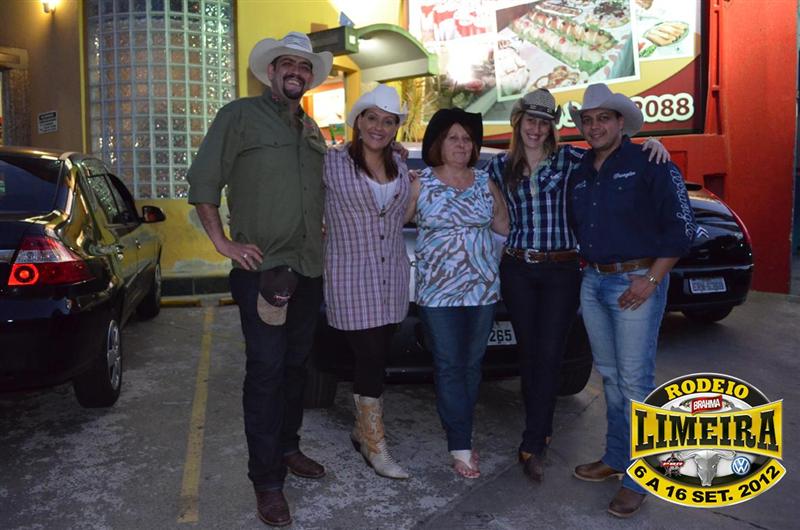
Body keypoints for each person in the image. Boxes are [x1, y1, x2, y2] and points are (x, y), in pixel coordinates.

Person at [486, 88, 670, 484]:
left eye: (544, 122)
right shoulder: (499, 166)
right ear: (518, 123)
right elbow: (465, 183)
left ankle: (536, 440)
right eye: (530, 120)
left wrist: (652, 144)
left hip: (561, 270)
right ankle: (539, 435)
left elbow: (615, 156)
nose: (536, 129)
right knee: (529, 354)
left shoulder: (573, 160)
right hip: (517, 269)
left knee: (551, 354)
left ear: (552, 127)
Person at [187, 32, 333, 527]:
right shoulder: (238, 116)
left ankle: (288, 447)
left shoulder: (311, 128)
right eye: (288, 64)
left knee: (296, 367)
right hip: (263, 270)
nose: (296, 72)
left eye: (304, 66)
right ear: (271, 71)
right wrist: (223, 242)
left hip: (308, 268)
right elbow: (203, 181)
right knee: (267, 373)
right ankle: (267, 482)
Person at [567, 83, 695, 518]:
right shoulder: (580, 169)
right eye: (588, 120)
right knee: (610, 378)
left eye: (604, 118)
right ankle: (617, 457)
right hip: (593, 281)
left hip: (637, 282)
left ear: (621, 122)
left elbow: (681, 227)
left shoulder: (651, 162)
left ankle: (640, 478)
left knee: (636, 383)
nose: (594, 126)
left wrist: (652, 280)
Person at [406, 108, 509, 479]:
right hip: (438, 294)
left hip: (481, 292)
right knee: (450, 365)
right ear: (439, 143)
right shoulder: (421, 182)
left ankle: (461, 429)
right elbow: (392, 220)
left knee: (472, 364)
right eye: (453, 138)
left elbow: (502, 226)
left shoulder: (484, 182)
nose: (461, 144)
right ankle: (461, 445)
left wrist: (484, 261)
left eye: (467, 139)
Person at [322, 84, 410, 480]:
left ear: (395, 128)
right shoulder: (330, 162)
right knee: (370, 356)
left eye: (388, 121)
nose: (379, 126)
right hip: (350, 275)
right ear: (358, 121)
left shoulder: (400, 165)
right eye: (372, 117)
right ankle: (375, 445)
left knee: (377, 356)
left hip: (392, 276)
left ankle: (362, 430)